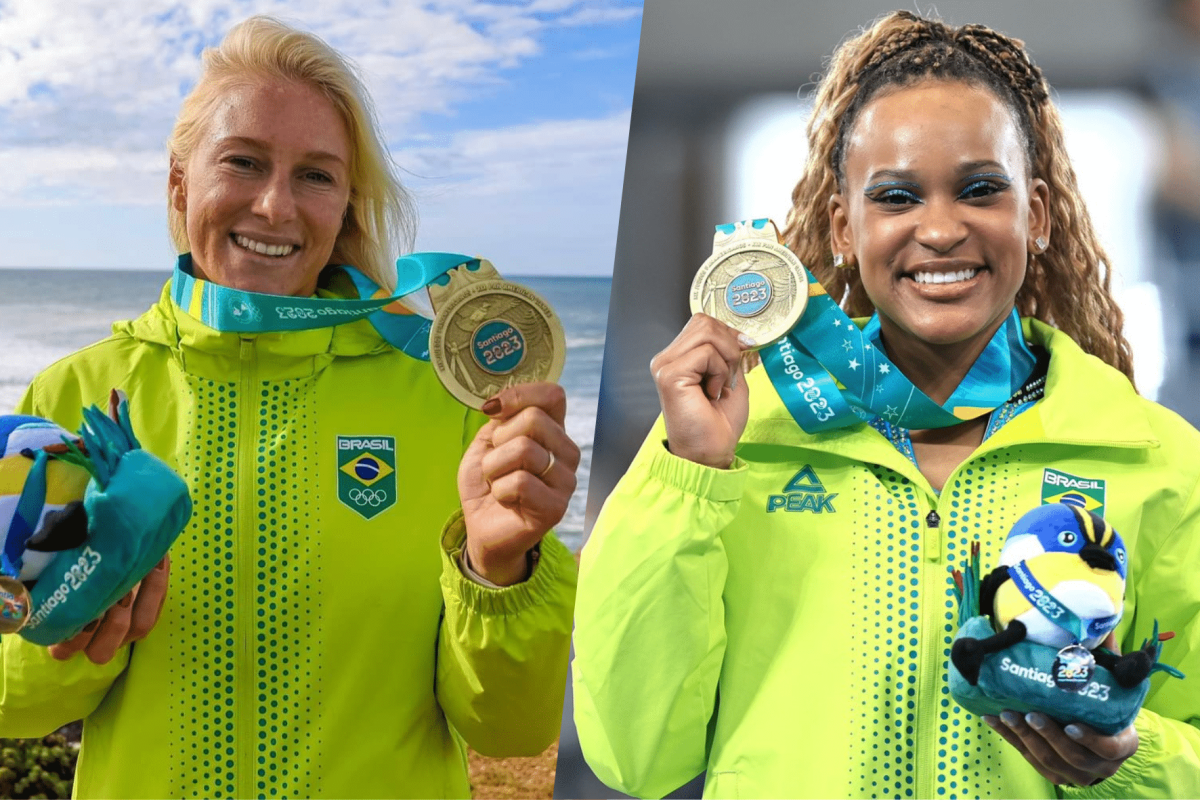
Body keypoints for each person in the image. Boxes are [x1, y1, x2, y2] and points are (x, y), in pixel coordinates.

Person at [572, 10, 1200, 799]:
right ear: (844, 226)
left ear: (1034, 215)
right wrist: (689, 474)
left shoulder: (1157, 460)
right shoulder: (734, 444)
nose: (940, 229)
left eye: (980, 189)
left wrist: (1134, 756)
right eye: (897, 196)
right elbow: (635, 754)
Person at [0, 16, 578, 799]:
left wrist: (502, 571)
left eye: (316, 175)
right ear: (179, 181)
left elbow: (510, 731)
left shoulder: (451, 404)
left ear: (348, 205)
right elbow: (19, 709)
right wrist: (65, 627)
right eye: (243, 162)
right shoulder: (68, 400)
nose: (275, 206)